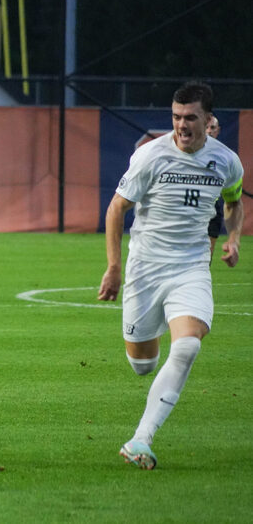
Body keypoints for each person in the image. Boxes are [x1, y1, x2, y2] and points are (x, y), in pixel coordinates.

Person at [98, 81, 244, 470]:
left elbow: (233, 202)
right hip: (145, 268)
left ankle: (140, 439)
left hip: (191, 267)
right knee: (142, 364)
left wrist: (233, 237)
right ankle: (155, 337)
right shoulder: (150, 157)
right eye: (177, 117)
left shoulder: (227, 161)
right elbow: (116, 209)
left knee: (188, 346)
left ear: (209, 120)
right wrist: (113, 268)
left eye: (190, 118)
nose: (182, 125)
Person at [206, 115, 224, 260]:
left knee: (207, 259)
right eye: (206, 127)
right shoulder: (189, 150)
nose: (209, 131)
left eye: (212, 128)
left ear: (218, 130)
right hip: (191, 208)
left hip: (213, 208)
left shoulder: (225, 157)